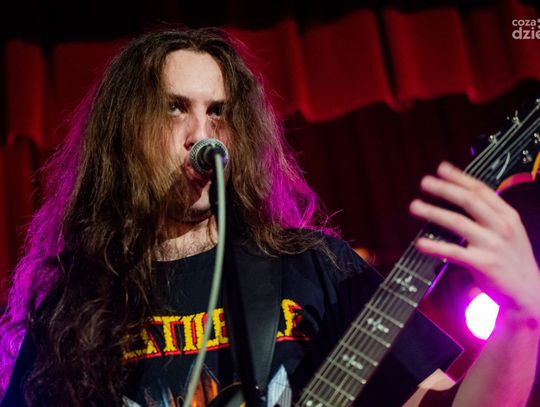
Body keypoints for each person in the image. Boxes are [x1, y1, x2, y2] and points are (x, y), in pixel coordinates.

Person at [0, 26, 538, 407]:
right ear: (124, 134)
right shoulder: (72, 307)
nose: (201, 135)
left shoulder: (315, 267)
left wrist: (524, 317)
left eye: (218, 112)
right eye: (174, 108)